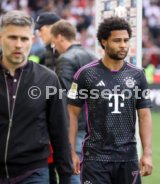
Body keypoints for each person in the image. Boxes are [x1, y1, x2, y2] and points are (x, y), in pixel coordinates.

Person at [0, 10, 73, 183]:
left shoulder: (48, 79)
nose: (18, 44)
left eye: (24, 39)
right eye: (12, 37)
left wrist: (65, 176)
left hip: (32, 172)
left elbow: (60, 131)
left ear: (32, 41)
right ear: (0, 37)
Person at [67, 16, 153, 184]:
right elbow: (71, 114)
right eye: (117, 40)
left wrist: (148, 153)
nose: (123, 45)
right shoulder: (86, 74)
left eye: (126, 40)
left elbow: (144, 116)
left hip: (128, 158)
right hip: (95, 159)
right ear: (104, 42)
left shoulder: (138, 75)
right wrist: (71, 151)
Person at [50, 20, 97, 184]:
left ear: (60, 37)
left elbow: (66, 99)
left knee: (74, 170)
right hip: (94, 125)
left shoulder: (66, 59)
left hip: (75, 127)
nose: (53, 47)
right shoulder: (93, 56)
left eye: (54, 42)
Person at [35, 12, 61, 183]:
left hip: (58, 120)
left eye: (41, 29)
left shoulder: (59, 53)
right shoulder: (44, 53)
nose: (38, 33)